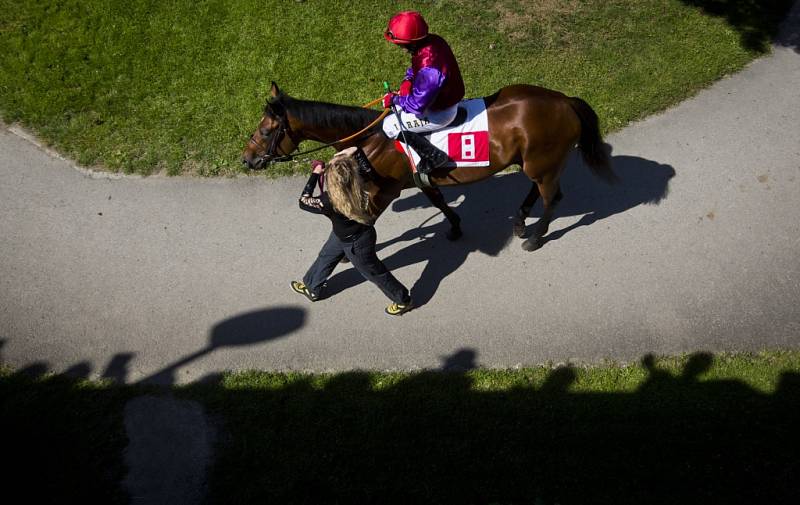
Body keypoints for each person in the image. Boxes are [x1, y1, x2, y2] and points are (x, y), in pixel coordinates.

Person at [290, 147, 414, 316]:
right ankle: (312, 286)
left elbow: (303, 201)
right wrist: (355, 152)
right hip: (352, 232)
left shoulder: (328, 201)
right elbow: (369, 170)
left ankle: (403, 300)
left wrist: (316, 173)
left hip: (356, 244)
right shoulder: (361, 183)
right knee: (327, 255)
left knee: (373, 272)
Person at [381, 10, 465, 175]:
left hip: (442, 113)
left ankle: (432, 157)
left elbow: (416, 106)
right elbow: (416, 67)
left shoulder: (429, 69)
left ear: (411, 42)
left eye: (399, 42)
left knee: (389, 126)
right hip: (445, 98)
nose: (398, 45)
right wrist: (407, 80)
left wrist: (395, 99)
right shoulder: (432, 41)